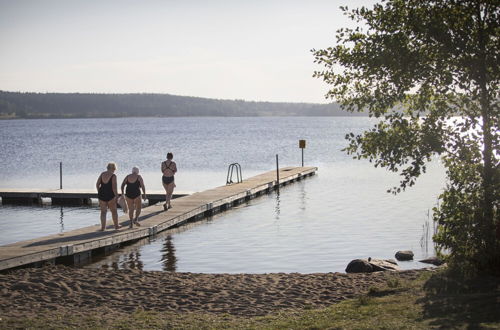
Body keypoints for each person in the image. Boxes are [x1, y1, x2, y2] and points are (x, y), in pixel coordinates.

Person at [96, 162, 120, 231]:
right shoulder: (113, 176)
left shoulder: (102, 174)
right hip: (110, 195)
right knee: (114, 211)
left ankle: (103, 227)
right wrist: (117, 196)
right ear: (114, 168)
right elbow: (114, 188)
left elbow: (97, 184)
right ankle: (116, 226)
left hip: (102, 195)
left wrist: (99, 192)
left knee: (103, 212)